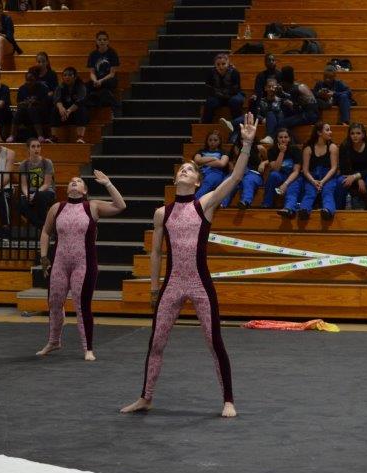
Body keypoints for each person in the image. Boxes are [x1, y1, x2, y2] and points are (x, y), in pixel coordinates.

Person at [119, 113, 258, 418]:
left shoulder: (204, 204)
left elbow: (235, 178)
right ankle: (146, 397)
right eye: (182, 168)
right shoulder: (162, 213)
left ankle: (228, 399)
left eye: (190, 169)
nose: (185, 170)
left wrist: (247, 144)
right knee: (156, 341)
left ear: (197, 181)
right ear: (175, 179)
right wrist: (154, 288)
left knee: (213, 340)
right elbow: (156, 253)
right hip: (171, 284)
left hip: (199, 283)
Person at [36, 171, 125, 360]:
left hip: (83, 264)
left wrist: (108, 183)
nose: (74, 182)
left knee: (81, 304)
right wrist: (43, 256)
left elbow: (120, 206)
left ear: (85, 190)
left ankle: (88, 348)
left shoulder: (92, 206)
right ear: (67, 188)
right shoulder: (57, 207)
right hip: (60, 263)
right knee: (54, 302)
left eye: (78, 181)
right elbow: (45, 232)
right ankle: (53, 341)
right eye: (71, 181)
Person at [278, 122, 339, 220]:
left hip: (328, 176)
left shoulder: (332, 147)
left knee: (327, 191)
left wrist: (322, 182)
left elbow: (334, 168)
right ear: (319, 133)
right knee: (309, 192)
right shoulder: (308, 148)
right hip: (312, 176)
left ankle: (328, 211)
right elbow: (305, 170)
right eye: (327, 130)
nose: (330, 132)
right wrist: (313, 181)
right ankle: (301, 210)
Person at [222, 77, 281, 145]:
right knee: (251, 114)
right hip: (261, 120)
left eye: (273, 87)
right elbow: (256, 114)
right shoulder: (261, 101)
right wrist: (262, 118)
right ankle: (232, 124)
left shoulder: (280, 101)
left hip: (275, 122)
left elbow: (280, 115)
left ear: (277, 88)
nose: (271, 89)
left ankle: (270, 137)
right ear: (265, 88)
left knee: (270, 114)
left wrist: (267, 119)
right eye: (269, 87)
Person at [337, 123, 367, 211]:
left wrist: (357, 176)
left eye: (358, 133)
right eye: (352, 133)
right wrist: (358, 179)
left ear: (363, 135)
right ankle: (338, 210)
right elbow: (344, 168)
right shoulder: (344, 146)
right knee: (341, 181)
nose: (355, 136)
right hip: (349, 174)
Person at [18, 138, 56, 231]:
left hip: (46, 191)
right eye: (33, 146)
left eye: (38, 146)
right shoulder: (23, 164)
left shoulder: (47, 162)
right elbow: (24, 185)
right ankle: (43, 227)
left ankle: (42, 229)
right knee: (20, 203)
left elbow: (47, 184)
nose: (36, 149)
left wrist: (36, 194)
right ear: (28, 149)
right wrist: (27, 195)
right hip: (30, 192)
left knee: (40, 196)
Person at [7, 67, 51, 143]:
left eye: (31, 80)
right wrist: (26, 103)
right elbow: (19, 103)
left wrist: (35, 103)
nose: (28, 82)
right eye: (27, 80)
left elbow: (45, 104)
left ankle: (40, 135)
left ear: (36, 80)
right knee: (20, 110)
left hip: (40, 113)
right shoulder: (22, 88)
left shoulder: (43, 88)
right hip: (25, 113)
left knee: (32, 109)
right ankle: (12, 135)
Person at [263, 128, 301, 208]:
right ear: (277, 139)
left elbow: (296, 171)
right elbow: (276, 169)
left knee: (294, 184)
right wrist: (282, 152)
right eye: (280, 137)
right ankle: (267, 204)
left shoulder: (295, 150)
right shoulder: (271, 151)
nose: (283, 140)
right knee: (273, 175)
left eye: (285, 137)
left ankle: (289, 207)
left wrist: (285, 184)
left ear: (289, 138)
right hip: (279, 175)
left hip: (292, 177)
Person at [201, 53, 242, 125]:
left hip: (232, 95)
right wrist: (219, 94)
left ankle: (237, 125)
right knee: (210, 102)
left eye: (223, 64)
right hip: (217, 96)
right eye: (218, 64)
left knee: (236, 101)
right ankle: (206, 125)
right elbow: (208, 88)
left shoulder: (234, 72)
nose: (221, 67)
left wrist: (223, 94)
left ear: (228, 64)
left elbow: (235, 89)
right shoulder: (211, 72)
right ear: (215, 65)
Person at [51, 66, 88, 144]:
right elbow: (57, 99)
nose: (67, 77)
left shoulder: (81, 86)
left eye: (70, 75)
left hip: (74, 113)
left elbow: (80, 101)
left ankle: (80, 137)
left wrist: (69, 111)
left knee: (81, 109)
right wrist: (61, 108)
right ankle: (54, 137)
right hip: (64, 115)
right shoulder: (60, 87)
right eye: (65, 75)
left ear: (75, 77)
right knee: (54, 109)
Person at [193, 130, 230, 207]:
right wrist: (214, 159)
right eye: (210, 140)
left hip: (216, 173)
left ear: (219, 141)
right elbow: (196, 160)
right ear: (207, 141)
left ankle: (194, 201)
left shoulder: (223, 152)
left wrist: (203, 161)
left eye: (215, 140)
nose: (212, 142)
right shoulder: (201, 151)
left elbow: (222, 163)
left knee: (208, 180)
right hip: (202, 172)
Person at [228, 134, 266, 209]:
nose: (244, 141)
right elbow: (231, 161)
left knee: (248, 180)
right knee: (229, 180)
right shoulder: (236, 148)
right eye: (242, 139)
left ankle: (245, 202)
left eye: (247, 139)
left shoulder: (259, 148)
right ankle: (222, 204)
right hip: (239, 172)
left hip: (253, 173)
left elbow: (267, 159)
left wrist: (263, 163)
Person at [86, 30, 120, 114]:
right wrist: (95, 81)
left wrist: (101, 81)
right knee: (85, 86)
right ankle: (101, 98)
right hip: (97, 80)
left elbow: (112, 74)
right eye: (100, 39)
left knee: (108, 84)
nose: (102, 41)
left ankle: (98, 99)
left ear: (108, 41)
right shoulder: (93, 54)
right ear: (96, 41)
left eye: (104, 39)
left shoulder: (112, 53)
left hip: (108, 79)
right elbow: (92, 73)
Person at [279, 66, 319, 131]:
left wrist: (281, 94)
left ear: (285, 82)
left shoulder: (294, 89)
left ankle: (291, 138)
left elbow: (292, 105)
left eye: (282, 83)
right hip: (313, 114)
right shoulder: (300, 85)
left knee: (282, 123)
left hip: (309, 116)